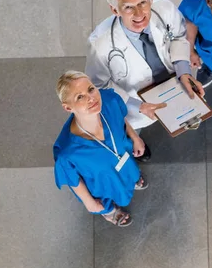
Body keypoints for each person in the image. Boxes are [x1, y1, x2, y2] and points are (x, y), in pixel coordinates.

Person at [85, 0, 204, 161]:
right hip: (135, 103)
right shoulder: (100, 43)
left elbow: (180, 36)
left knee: (183, 111)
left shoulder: (163, 7)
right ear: (115, 10)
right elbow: (98, 86)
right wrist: (138, 106)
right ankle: (135, 142)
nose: (140, 14)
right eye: (128, 8)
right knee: (134, 130)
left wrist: (184, 72)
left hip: (174, 83)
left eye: (142, 2)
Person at [53, 71, 149, 227]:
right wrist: (88, 202)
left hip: (124, 159)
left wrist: (135, 137)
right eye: (80, 97)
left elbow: (121, 118)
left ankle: (131, 180)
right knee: (104, 199)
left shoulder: (109, 100)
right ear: (68, 108)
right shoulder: (68, 152)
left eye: (90, 89)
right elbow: (73, 180)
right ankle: (110, 212)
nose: (91, 98)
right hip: (102, 182)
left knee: (130, 172)